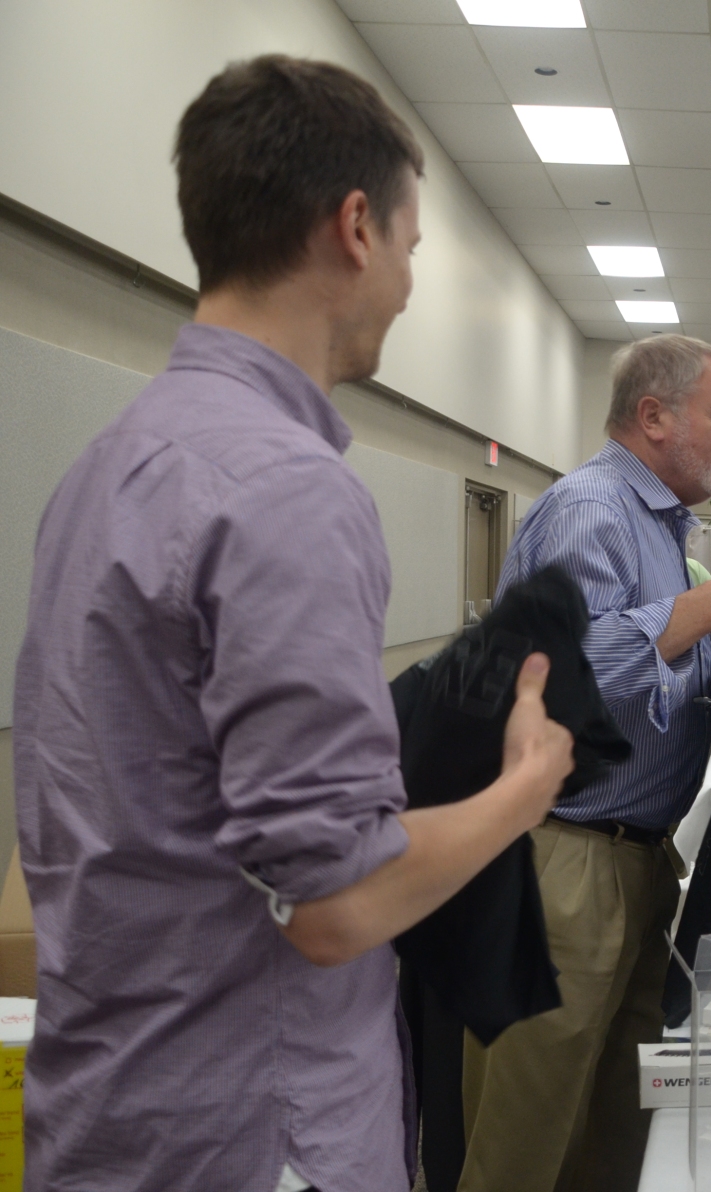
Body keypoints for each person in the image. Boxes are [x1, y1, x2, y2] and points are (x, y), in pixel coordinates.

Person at [9, 57, 579, 1192]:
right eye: (411, 248)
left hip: (110, 1110)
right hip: (253, 1127)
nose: (407, 288)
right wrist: (525, 788)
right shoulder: (288, 489)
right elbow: (335, 903)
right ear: (355, 228)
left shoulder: (108, 466)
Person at [457, 335, 711, 1192]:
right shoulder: (592, 510)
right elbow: (573, 673)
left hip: (631, 863)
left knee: (611, 1128)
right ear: (654, 416)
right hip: (565, 866)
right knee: (526, 1142)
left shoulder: (657, 526)